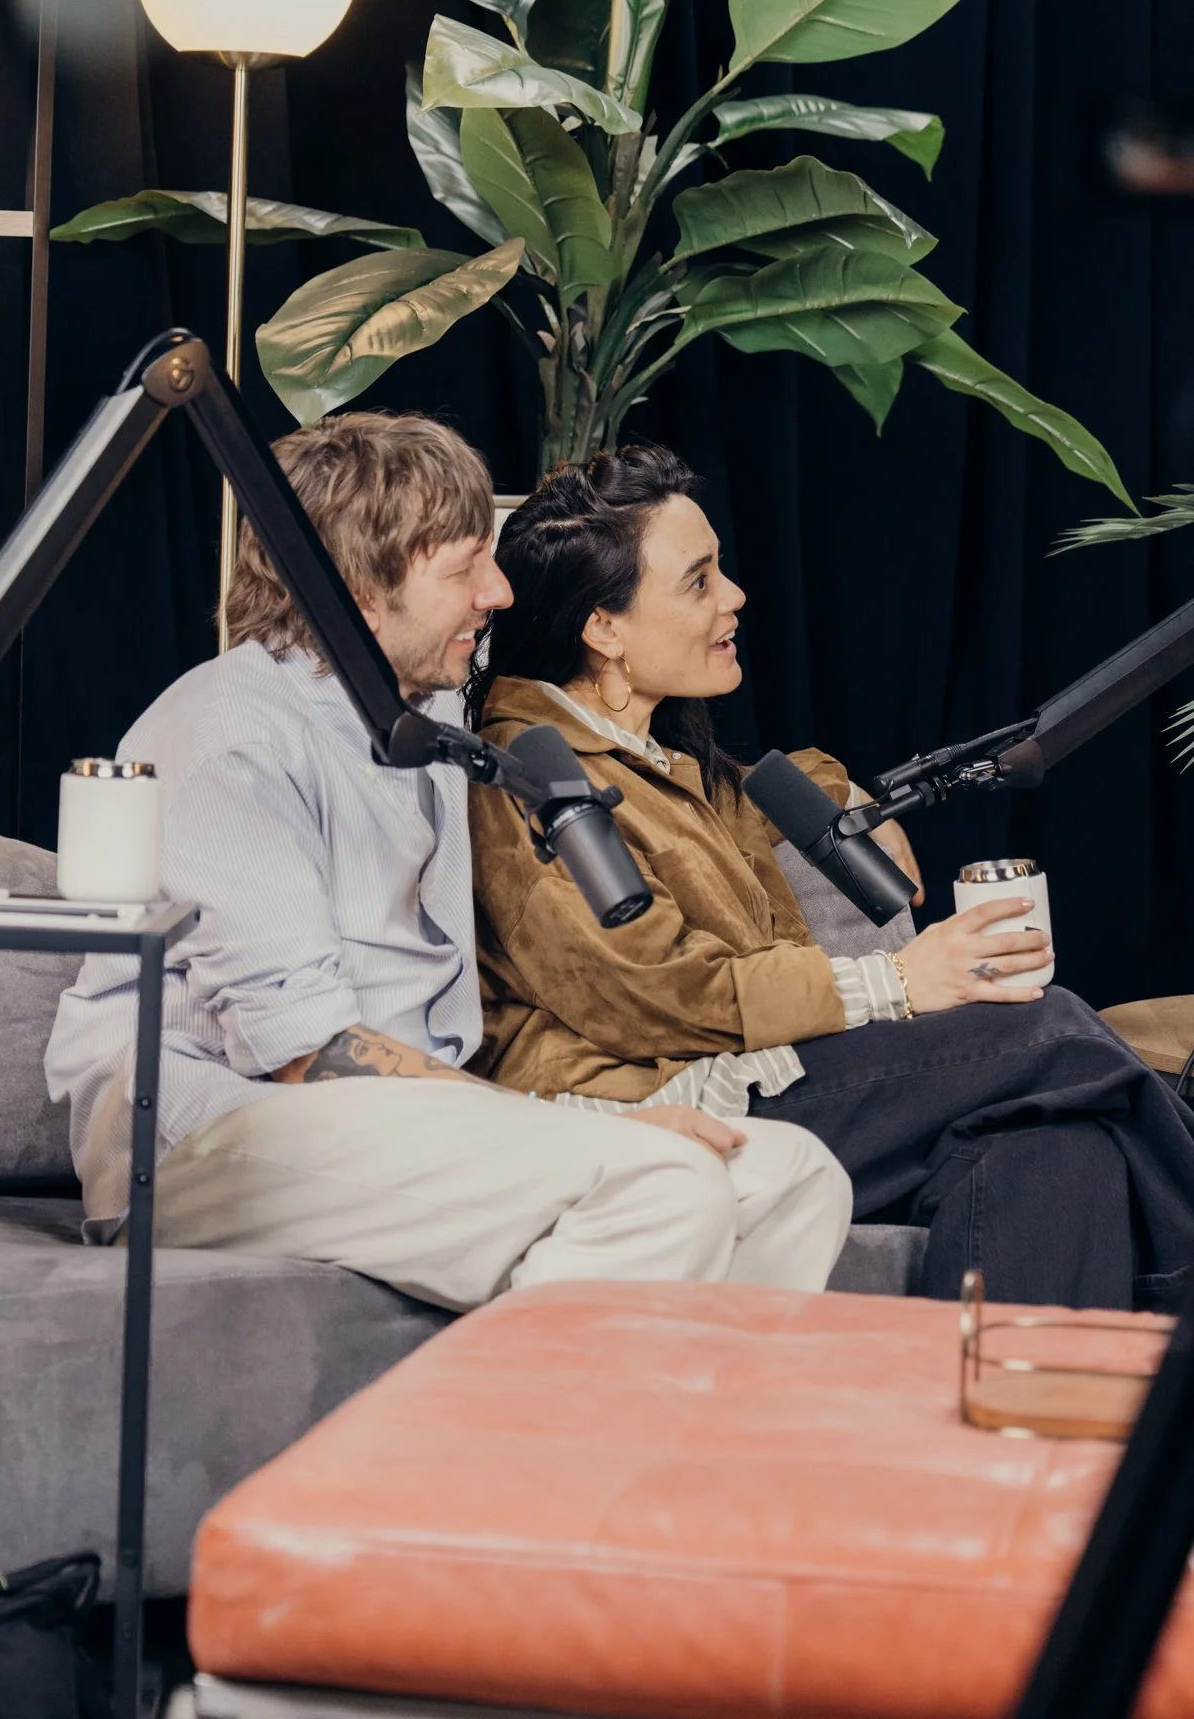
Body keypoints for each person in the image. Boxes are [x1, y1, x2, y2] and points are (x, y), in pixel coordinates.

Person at [45, 413, 853, 1309]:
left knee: (793, 1176)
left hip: (401, 1125)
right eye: (466, 567)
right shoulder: (232, 736)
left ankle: (645, 1405)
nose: (498, 593)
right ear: (361, 590)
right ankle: (500, 1405)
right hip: (216, 1141)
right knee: (661, 1181)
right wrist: (569, 1129)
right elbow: (306, 1053)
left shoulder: (426, 722)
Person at [465, 442, 1194, 1311]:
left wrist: (849, 796)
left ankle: (998, 1405)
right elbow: (651, 991)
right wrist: (897, 981)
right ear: (604, 629)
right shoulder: (531, 776)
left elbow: (759, 792)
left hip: (764, 1080)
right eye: (699, 581)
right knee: (1049, 1028)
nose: (735, 596)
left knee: (1057, 1146)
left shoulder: (658, 760)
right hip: (659, 1105)